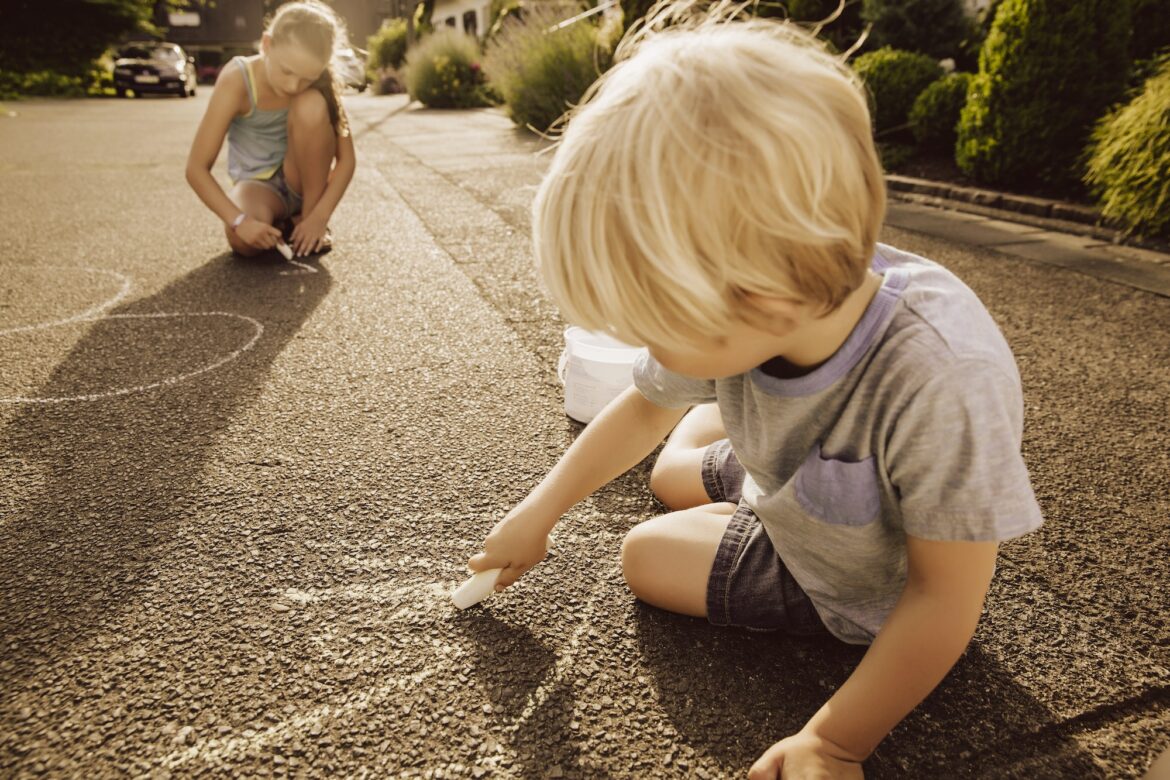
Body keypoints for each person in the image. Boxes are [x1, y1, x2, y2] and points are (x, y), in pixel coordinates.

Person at [467, 2, 1044, 777]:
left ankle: (742, 479)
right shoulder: (766, 296)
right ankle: (735, 469)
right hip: (804, 490)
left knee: (644, 553)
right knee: (670, 466)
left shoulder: (940, 380)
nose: (645, 347)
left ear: (766, 303)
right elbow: (644, 405)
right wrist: (539, 511)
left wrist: (834, 739)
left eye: (653, 326)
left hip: (861, 586)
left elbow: (944, 597)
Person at [186, 0, 356, 258]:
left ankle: (304, 219)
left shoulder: (320, 82)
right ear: (267, 44)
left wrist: (319, 218)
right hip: (259, 189)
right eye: (287, 71)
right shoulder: (238, 79)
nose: (293, 85)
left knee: (309, 103)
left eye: (307, 78)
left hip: (304, 186)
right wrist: (240, 222)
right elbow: (196, 169)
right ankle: (284, 225)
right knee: (242, 242)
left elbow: (346, 161)